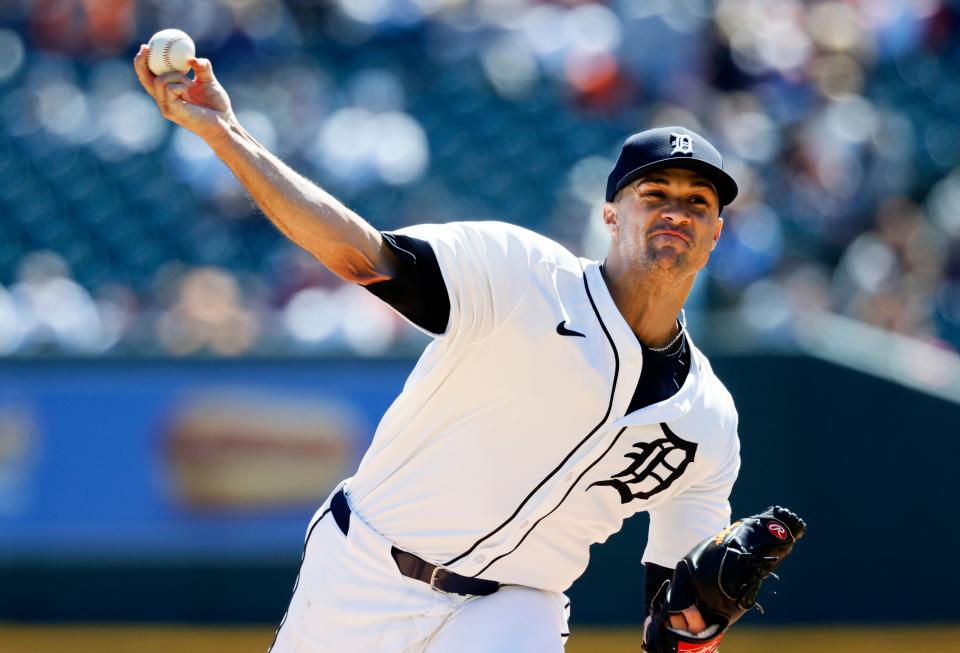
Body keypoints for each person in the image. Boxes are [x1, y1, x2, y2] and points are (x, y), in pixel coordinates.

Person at [134, 46, 741, 653]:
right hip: (365, 570)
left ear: (716, 233)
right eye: (654, 193)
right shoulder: (520, 273)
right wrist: (227, 134)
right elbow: (359, 253)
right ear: (610, 214)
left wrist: (697, 627)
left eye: (697, 202)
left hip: (514, 610)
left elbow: (676, 618)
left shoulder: (707, 419)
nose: (675, 212)